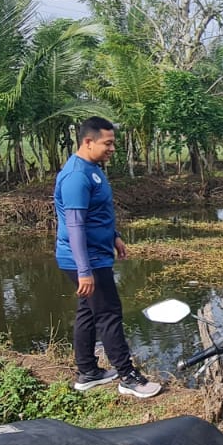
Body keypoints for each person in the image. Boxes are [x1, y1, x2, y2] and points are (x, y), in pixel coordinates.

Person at [55, 117, 162, 398]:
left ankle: (88, 372)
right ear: (88, 141)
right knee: (108, 314)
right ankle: (128, 377)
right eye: (108, 143)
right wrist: (84, 270)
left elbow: (97, 213)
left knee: (88, 313)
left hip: (95, 254)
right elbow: (75, 225)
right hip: (87, 259)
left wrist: (114, 235)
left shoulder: (92, 168)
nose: (112, 148)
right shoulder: (76, 176)